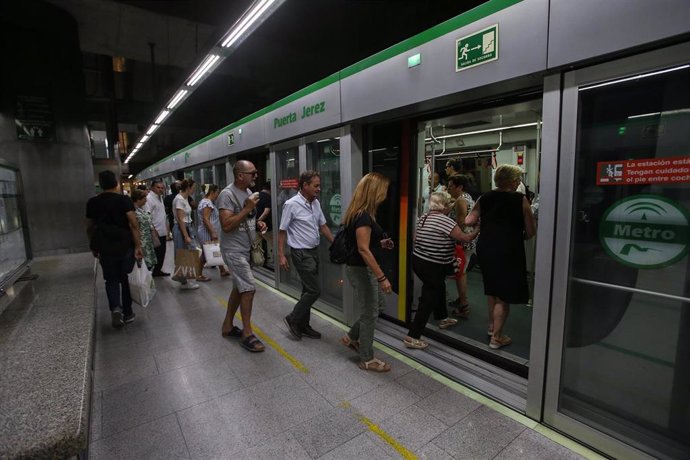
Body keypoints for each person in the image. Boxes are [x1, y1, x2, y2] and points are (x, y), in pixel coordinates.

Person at [466, 164, 536, 349]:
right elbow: (530, 231)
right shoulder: (520, 199)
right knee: (503, 296)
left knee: (492, 290)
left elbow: (469, 220)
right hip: (508, 249)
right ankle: (496, 337)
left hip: (486, 247)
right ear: (512, 181)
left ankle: (492, 326)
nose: (519, 182)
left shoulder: (485, 197)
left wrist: (485, 227)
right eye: (518, 179)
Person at [403, 192, 477, 349]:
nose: (450, 206)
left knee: (439, 287)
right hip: (433, 265)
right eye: (448, 204)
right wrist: (478, 229)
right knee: (428, 298)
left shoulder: (425, 217)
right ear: (444, 206)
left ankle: (442, 317)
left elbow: (416, 238)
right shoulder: (446, 221)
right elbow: (465, 239)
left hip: (418, 261)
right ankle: (412, 336)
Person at [340, 172, 395, 372]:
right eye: (384, 189)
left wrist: (380, 242)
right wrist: (382, 277)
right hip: (361, 270)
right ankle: (367, 359)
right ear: (375, 191)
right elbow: (363, 250)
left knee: (377, 306)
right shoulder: (363, 216)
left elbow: (362, 243)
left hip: (359, 268)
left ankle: (352, 337)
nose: (386, 194)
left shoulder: (361, 213)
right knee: (370, 312)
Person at [217, 160, 268, 352]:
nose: (256, 176)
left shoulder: (247, 194)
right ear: (240, 175)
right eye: (252, 173)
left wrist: (256, 224)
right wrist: (246, 209)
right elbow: (227, 225)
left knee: (239, 288)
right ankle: (247, 333)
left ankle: (228, 326)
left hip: (246, 248)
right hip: (233, 250)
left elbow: (244, 221)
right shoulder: (226, 195)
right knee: (249, 289)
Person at [278, 171, 334, 340]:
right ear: (305, 186)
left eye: (319, 185)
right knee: (314, 290)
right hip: (301, 253)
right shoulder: (291, 204)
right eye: (316, 185)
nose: (319, 189)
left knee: (306, 289)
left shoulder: (315, 203)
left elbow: (323, 226)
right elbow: (282, 231)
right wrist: (281, 254)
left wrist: (335, 243)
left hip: (314, 251)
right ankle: (293, 318)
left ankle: (304, 325)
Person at [86, 170, 144, 328]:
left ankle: (115, 308)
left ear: (101, 185)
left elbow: (90, 227)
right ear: (116, 183)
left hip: (105, 247)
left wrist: (93, 245)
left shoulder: (92, 202)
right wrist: (138, 245)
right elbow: (133, 223)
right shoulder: (124, 200)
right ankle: (128, 312)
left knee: (110, 279)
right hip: (125, 245)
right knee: (125, 278)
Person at [445, 174, 476, 318]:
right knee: (460, 272)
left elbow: (461, 223)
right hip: (466, 241)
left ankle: (464, 304)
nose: (448, 188)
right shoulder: (465, 197)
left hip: (461, 242)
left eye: (451, 186)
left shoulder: (461, 200)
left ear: (460, 187)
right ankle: (462, 301)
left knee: (460, 273)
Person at [172, 178, 201, 289]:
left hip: (186, 227)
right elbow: (180, 219)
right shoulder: (179, 199)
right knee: (186, 254)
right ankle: (186, 280)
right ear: (188, 188)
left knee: (186, 254)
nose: (194, 190)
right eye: (193, 188)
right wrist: (186, 236)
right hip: (182, 229)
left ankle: (183, 278)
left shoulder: (184, 198)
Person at [197, 184, 230, 277]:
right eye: (217, 192)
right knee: (206, 253)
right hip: (207, 232)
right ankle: (198, 274)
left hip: (208, 231)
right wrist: (213, 232)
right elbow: (206, 219)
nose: (218, 195)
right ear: (212, 192)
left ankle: (222, 270)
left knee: (215, 250)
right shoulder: (207, 203)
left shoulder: (206, 202)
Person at [146, 179, 170, 277]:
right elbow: (148, 216)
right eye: (158, 187)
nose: (161, 190)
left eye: (162, 188)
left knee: (161, 253)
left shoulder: (160, 198)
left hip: (162, 231)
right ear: (152, 187)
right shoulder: (149, 199)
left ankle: (157, 271)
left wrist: (167, 230)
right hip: (155, 232)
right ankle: (149, 272)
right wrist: (153, 230)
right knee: (155, 254)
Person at [131, 189, 158, 270]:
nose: (146, 200)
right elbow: (134, 227)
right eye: (144, 199)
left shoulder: (141, 209)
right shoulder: (133, 211)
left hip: (147, 240)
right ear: (138, 199)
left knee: (149, 264)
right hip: (142, 241)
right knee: (143, 265)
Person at [255, 182, 273, 266]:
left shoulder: (256, 195)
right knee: (272, 245)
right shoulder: (268, 197)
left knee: (256, 246)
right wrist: (259, 221)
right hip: (266, 227)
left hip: (256, 228)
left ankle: (258, 261)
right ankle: (271, 261)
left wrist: (255, 222)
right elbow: (266, 212)